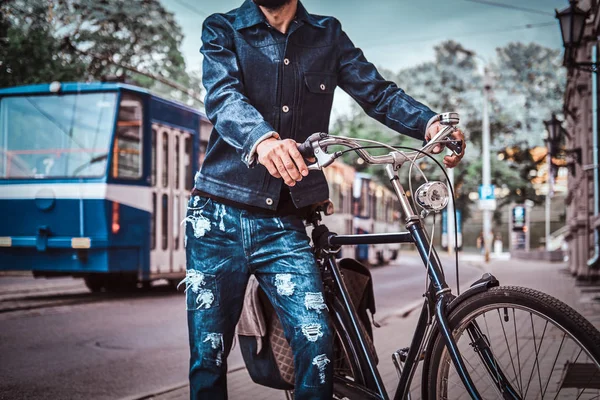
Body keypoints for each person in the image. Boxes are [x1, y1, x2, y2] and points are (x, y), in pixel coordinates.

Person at [180, 0, 466, 399]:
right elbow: (224, 97)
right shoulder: (223, 29)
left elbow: (377, 93)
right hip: (216, 217)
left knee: (317, 350)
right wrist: (262, 141)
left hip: (284, 221)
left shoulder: (326, 35)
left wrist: (428, 123)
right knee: (208, 357)